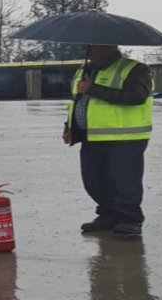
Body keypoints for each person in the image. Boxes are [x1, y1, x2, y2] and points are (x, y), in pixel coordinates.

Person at [63, 44, 153, 236]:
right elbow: (76, 101)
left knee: (125, 181)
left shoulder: (135, 69)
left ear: (110, 47)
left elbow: (136, 97)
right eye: (88, 47)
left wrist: (93, 89)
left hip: (125, 137)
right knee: (93, 180)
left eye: (94, 47)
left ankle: (130, 219)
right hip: (91, 136)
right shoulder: (85, 70)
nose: (89, 51)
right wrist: (69, 126)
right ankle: (108, 215)